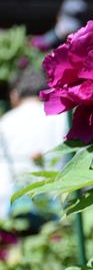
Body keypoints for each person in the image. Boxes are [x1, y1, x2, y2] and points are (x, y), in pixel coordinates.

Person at [0, 64, 67, 220]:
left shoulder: (5, 123)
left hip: (19, 205)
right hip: (59, 199)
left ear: (14, 95)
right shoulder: (62, 117)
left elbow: (2, 172)